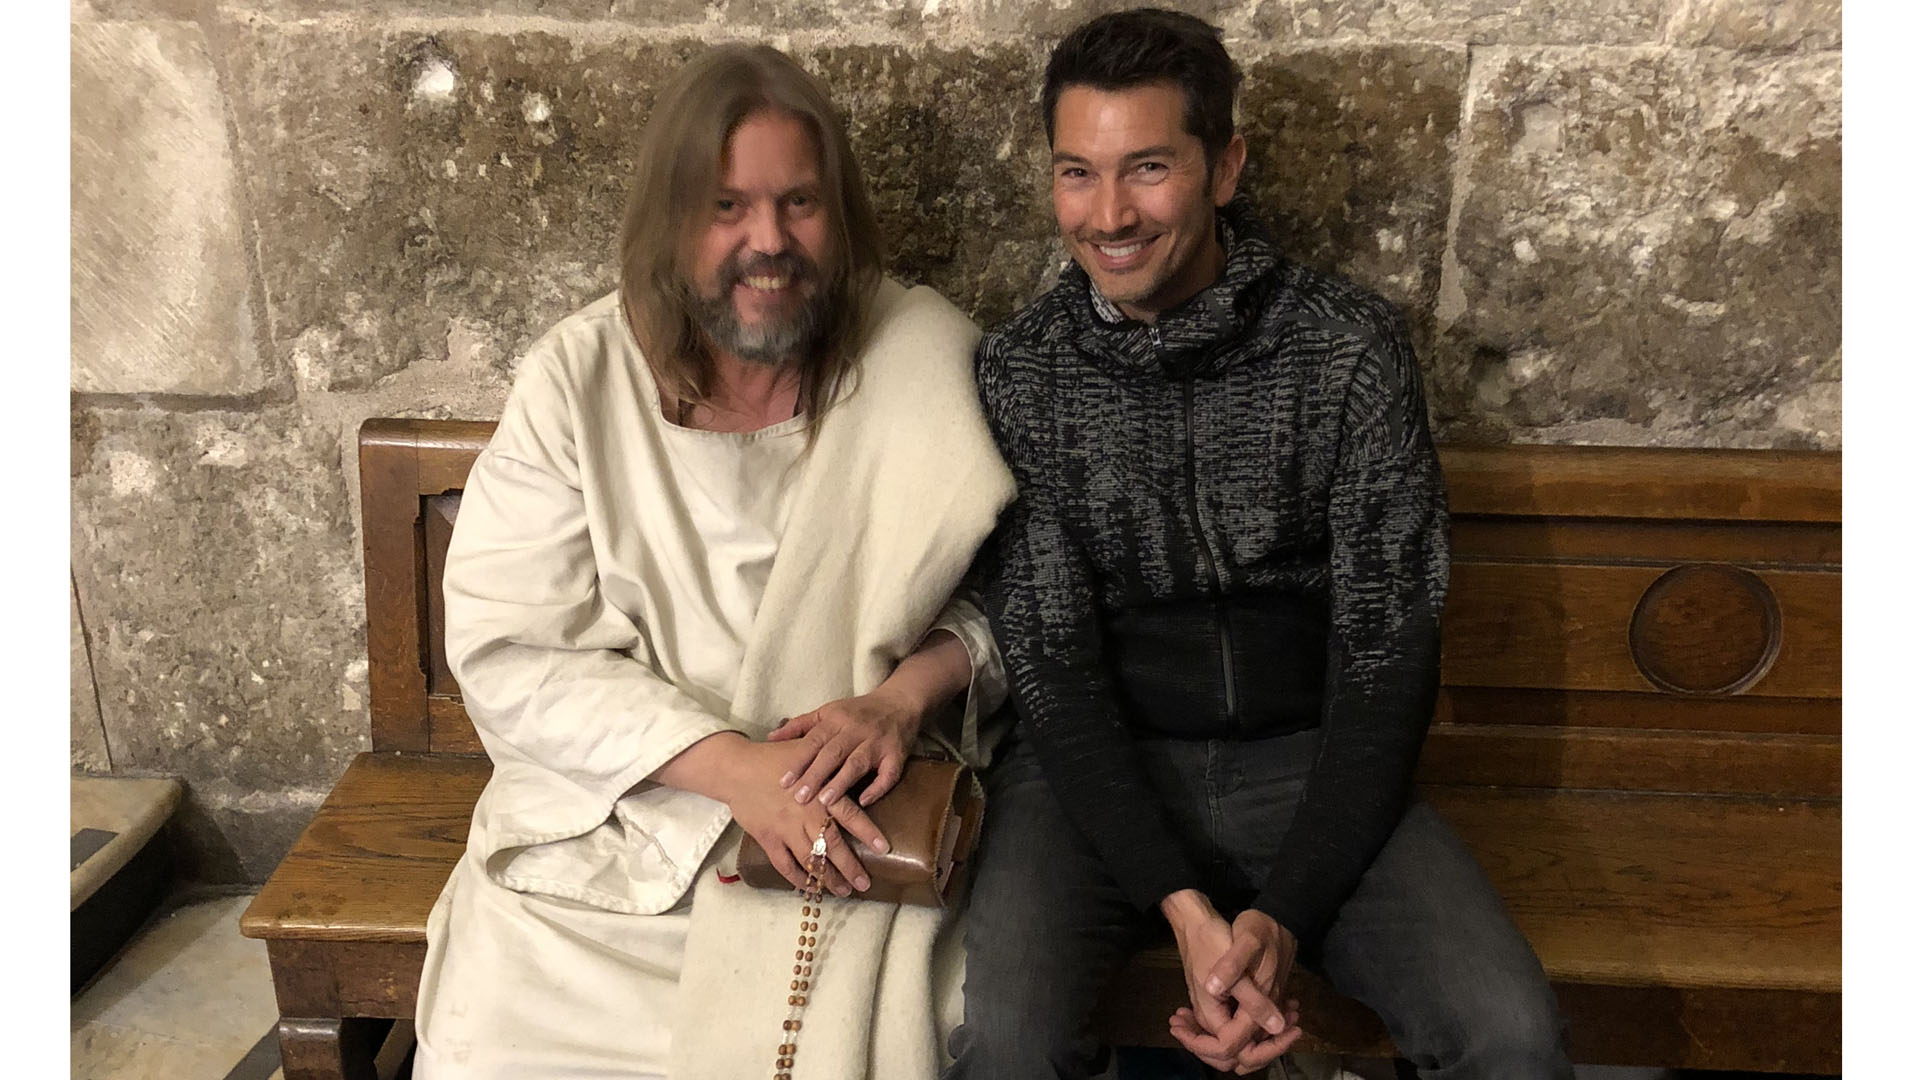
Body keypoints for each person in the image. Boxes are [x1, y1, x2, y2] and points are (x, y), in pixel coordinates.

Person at [949, 10, 1574, 1078]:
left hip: (1312, 758)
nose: (1108, 215)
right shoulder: (1026, 371)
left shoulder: (1345, 349)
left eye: (1147, 168)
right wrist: (1188, 912)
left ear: (1224, 165)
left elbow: (1389, 653)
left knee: (1510, 1035)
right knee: (1003, 1042)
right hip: (1094, 774)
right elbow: (1051, 666)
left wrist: (1282, 917)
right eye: (1077, 173)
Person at [412, 43, 1014, 1080]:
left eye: (800, 204)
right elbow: (513, 650)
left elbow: (1010, 594)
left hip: (852, 816)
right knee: (498, 1021)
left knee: (945, 1010)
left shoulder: (921, 356)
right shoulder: (579, 377)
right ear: (670, 219)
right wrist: (739, 773)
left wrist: (899, 702)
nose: (767, 242)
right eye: (727, 207)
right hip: (629, 817)